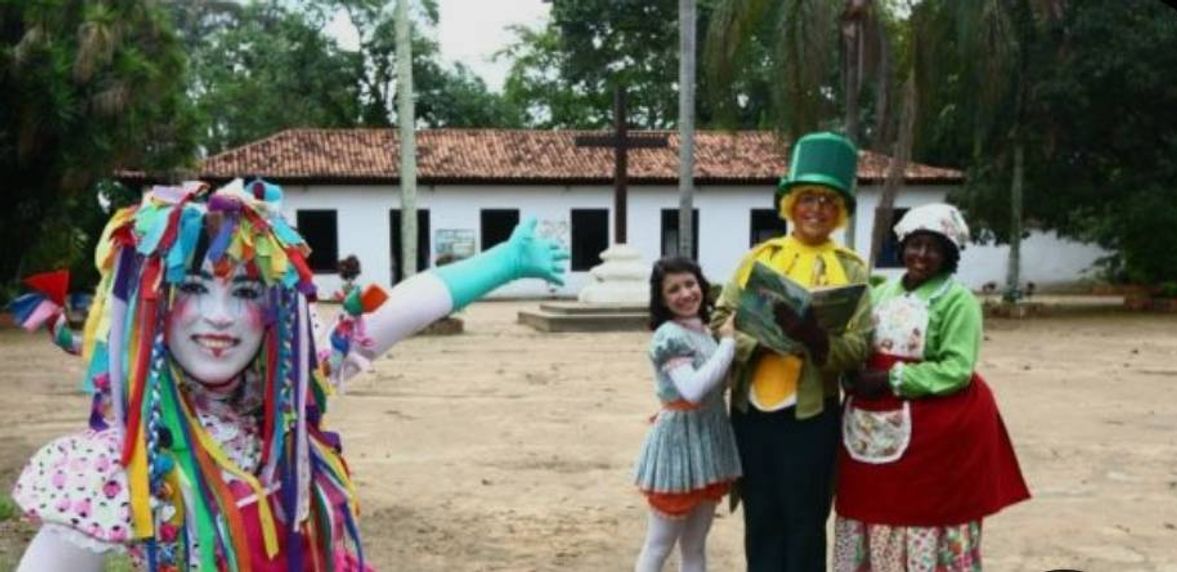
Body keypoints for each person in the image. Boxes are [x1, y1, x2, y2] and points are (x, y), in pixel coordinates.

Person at [10, 179, 568, 571]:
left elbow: (398, 309)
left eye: (246, 291)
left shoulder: (289, 390)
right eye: (195, 289)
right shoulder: (114, 463)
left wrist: (505, 261)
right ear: (154, 307)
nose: (221, 318)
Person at [832, 203, 1030, 571]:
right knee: (868, 506)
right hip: (869, 422)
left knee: (926, 511)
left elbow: (957, 368)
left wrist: (892, 379)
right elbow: (860, 343)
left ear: (949, 254)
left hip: (934, 430)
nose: (921, 255)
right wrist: (852, 372)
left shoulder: (958, 300)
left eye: (933, 247)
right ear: (903, 245)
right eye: (915, 244)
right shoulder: (881, 291)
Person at [711, 132, 872, 571]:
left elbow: (859, 344)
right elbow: (720, 319)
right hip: (751, 414)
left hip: (810, 417)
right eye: (807, 198)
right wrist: (758, 338)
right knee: (761, 518)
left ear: (839, 209)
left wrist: (817, 342)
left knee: (805, 521)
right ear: (790, 204)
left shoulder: (853, 268)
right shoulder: (759, 258)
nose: (816, 209)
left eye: (826, 200)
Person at [633, 257, 742, 572]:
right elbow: (692, 390)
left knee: (695, 546)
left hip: (708, 440)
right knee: (658, 546)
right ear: (662, 299)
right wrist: (729, 343)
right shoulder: (669, 336)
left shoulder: (703, 332)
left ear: (702, 286)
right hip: (679, 443)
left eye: (690, 284)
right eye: (674, 289)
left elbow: (717, 384)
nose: (685, 294)